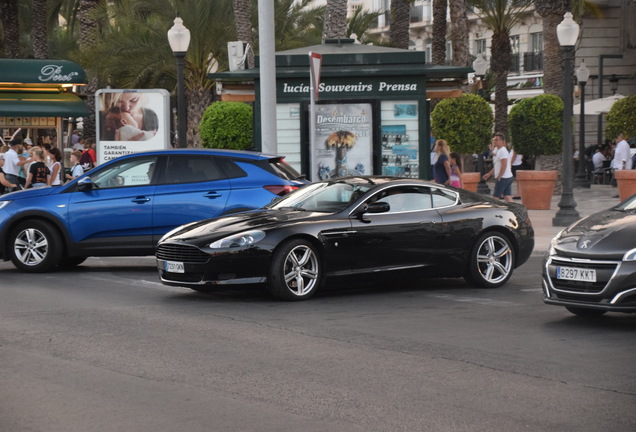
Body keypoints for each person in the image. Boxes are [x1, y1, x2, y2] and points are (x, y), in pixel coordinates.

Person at [483, 132, 514, 202]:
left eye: (496, 140)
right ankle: (516, 211)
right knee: (507, 197)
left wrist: (500, 176)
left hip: (503, 178)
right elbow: (493, 156)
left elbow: (504, 165)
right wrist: (489, 174)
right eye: (494, 140)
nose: (494, 141)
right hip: (507, 177)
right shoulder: (498, 150)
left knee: (495, 198)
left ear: (502, 141)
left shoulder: (503, 151)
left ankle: (492, 212)